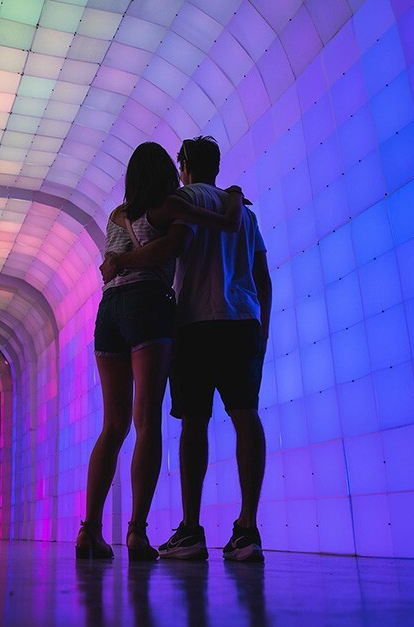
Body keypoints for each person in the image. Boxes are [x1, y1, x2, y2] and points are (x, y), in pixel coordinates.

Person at [100, 135, 271, 563]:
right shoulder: (244, 213)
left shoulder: (179, 198)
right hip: (242, 321)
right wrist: (263, 331)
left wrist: (120, 262)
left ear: (184, 166)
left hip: (193, 322)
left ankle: (191, 530)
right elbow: (262, 274)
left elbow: (170, 245)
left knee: (193, 423)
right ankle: (248, 528)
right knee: (246, 416)